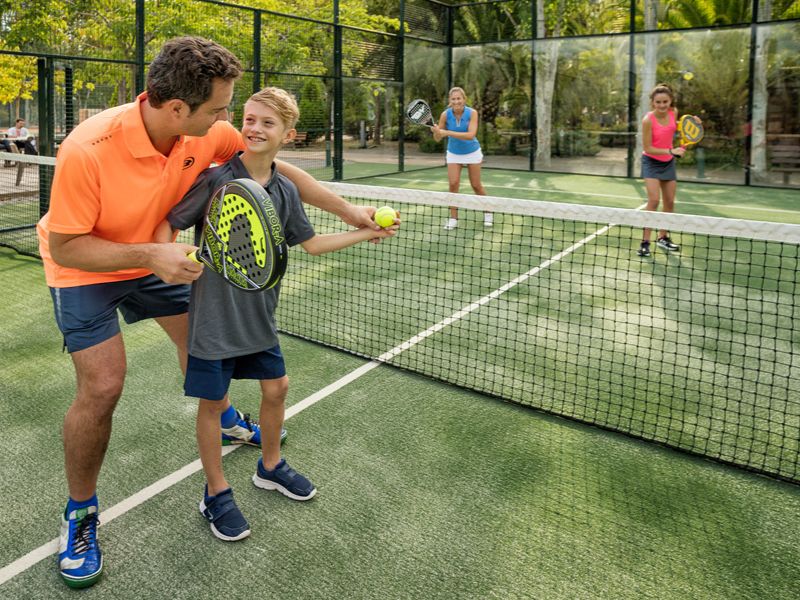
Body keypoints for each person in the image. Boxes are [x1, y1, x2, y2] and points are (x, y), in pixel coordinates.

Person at [37, 37, 381, 589]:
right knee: (102, 387)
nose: (230, 121)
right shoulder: (87, 148)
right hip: (87, 269)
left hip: (162, 259)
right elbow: (66, 246)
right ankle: (80, 514)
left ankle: (221, 417)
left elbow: (281, 171)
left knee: (203, 341)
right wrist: (153, 253)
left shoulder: (205, 129)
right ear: (177, 109)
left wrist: (349, 211)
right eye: (221, 110)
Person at [155, 86, 399, 541]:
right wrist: (172, 254)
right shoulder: (215, 179)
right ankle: (216, 492)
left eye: (267, 123)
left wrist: (364, 234)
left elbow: (311, 244)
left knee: (278, 388)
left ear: (288, 135)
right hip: (213, 319)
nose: (253, 128)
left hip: (260, 318)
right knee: (213, 405)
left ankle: (269, 466)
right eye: (248, 119)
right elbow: (171, 223)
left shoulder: (286, 190)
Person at [431, 87, 491, 230]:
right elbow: (438, 138)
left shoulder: (472, 113)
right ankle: (453, 218)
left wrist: (447, 132)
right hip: (453, 153)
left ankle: (488, 213)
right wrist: (436, 132)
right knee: (453, 184)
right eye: (453, 99)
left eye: (459, 98)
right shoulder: (445, 115)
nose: (456, 101)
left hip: (472, 152)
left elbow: (470, 135)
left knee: (476, 185)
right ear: (450, 101)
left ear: (464, 99)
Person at [637, 83, 685, 257]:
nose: (662, 105)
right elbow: (648, 148)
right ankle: (644, 242)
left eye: (665, 101)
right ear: (653, 103)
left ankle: (663, 237)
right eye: (658, 102)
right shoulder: (648, 120)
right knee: (654, 200)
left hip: (668, 162)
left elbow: (676, 129)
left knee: (670, 201)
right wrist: (671, 151)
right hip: (651, 161)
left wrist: (692, 125)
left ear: (670, 101)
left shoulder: (674, 112)